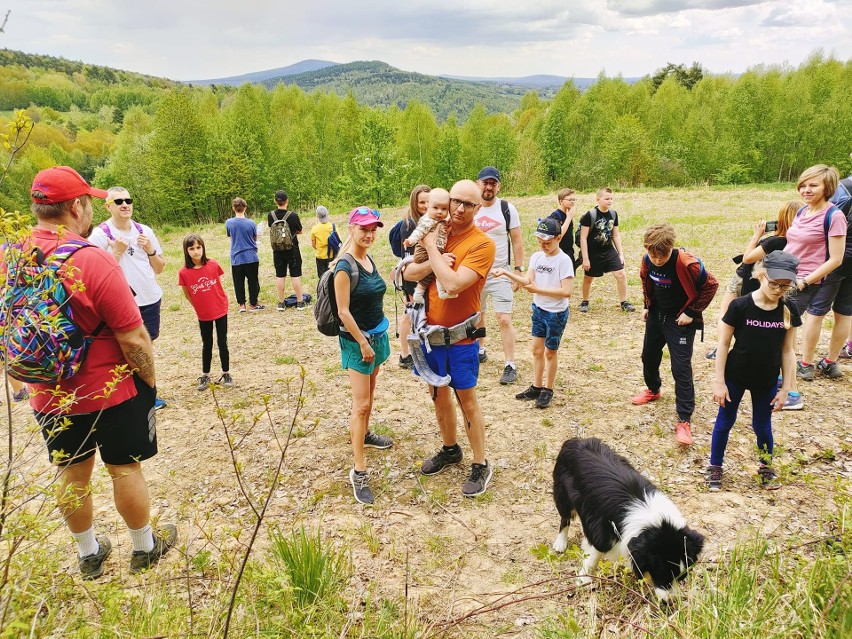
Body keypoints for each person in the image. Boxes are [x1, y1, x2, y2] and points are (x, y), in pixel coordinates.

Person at [25, 166, 176, 579]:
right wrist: (149, 381)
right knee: (125, 468)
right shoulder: (91, 259)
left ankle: (88, 553)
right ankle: (144, 547)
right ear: (76, 206)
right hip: (111, 389)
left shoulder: (12, 257)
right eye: (88, 201)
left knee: (71, 472)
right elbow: (134, 338)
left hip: (49, 392)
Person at [405, 179, 497, 497]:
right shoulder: (437, 229)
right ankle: (450, 448)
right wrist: (432, 255)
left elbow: (456, 284)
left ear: (479, 207)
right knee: (438, 395)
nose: (458, 209)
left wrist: (431, 249)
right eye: (455, 201)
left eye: (467, 204)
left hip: (461, 338)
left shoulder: (481, 244)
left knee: (466, 400)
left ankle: (481, 463)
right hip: (431, 336)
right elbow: (408, 273)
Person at [706, 252, 802, 492]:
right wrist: (719, 381)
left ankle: (766, 466)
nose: (779, 290)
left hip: (766, 380)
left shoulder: (788, 309)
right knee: (725, 422)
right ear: (760, 275)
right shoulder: (740, 306)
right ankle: (715, 466)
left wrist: (787, 388)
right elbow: (724, 345)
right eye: (774, 283)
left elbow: (788, 351)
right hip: (735, 377)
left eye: (785, 285)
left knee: (762, 426)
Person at [632, 223, 718, 447]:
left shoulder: (687, 263)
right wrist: (646, 305)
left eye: (662, 255)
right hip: (656, 314)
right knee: (648, 356)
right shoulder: (647, 259)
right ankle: (653, 389)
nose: (657, 260)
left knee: (680, 368)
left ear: (670, 247)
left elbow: (711, 285)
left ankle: (684, 420)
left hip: (680, 319)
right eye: (653, 255)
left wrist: (691, 312)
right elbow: (646, 280)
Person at [89, 186, 168, 410]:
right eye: (118, 201)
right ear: (108, 206)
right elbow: (94, 275)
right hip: (121, 303)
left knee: (146, 347)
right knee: (124, 350)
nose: (125, 204)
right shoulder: (100, 235)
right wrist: (116, 253)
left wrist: (151, 249)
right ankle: (134, 398)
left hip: (150, 298)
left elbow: (160, 268)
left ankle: (147, 395)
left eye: (128, 200)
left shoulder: (145, 231)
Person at [334, 207, 393, 505]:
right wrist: (362, 342)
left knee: (371, 393)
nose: (369, 234)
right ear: (351, 229)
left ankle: (365, 434)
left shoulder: (367, 258)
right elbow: (343, 311)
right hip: (358, 343)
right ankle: (358, 469)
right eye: (363, 229)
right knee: (362, 404)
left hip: (377, 336)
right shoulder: (344, 266)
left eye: (373, 229)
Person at [492, 217, 574, 409]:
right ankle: (536, 386)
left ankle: (548, 389)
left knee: (550, 352)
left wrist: (538, 290)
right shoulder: (537, 257)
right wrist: (505, 273)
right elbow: (528, 280)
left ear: (558, 238)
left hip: (556, 313)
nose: (543, 246)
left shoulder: (564, 261)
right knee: (536, 350)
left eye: (547, 242)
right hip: (539, 310)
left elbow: (566, 291)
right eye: (540, 242)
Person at [706, 201, 799, 361]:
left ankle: (721, 348)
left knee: (725, 313)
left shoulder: (775, 242)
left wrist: (756, 236)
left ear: (782, 218)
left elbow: (748, 258)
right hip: (768, 283)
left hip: (745, 277)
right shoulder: (796, 243)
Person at [783, 165, 846, 397]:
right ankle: (782, 377)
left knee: (785, 330)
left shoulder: (834, 216)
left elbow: (836, 259)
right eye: (803, 185)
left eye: (813, 185)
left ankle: (791, 392)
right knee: (782, 330)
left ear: (827, 187)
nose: (806, 190)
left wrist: (805, 281)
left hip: (804, 282)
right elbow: (793, 246)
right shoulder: (802, 212)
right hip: (786, 277)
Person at [473, 166, 524, 384]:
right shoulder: (471, 209)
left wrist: (519, 270)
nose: (489, 187)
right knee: (477, 315)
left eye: (493, 183)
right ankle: (480, 349)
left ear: (498, 186)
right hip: (474, 273)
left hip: (500, 271)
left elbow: (517, 240)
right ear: (478, 184)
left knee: (503, 318)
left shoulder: (507, 209)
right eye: (485, 183)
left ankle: (510, 364)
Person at [178, 234, 233, 391]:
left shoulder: (213, 264)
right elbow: (187, 293)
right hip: (203, 313)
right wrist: (198, 306)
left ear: (203, 247)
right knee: (207, 343)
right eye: (192, 248)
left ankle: (226, 372)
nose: (196, 252)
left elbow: (218, 286)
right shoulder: (184, 272)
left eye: (198, 247)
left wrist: (219, 301)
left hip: (220, 308)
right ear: (186, 251)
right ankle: (206, 374)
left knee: (222, 342)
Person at [577, 187, 635, 313]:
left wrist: (621, 254)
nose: (610, 201)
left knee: (621, 274)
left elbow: (615, 235)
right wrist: (585, 258)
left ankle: (624, 302)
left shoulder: (613, 214)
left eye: (611, 198)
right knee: (588, 277)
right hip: (593, 251)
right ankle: (585, 301)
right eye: (606, 198)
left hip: (608, 249)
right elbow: (583, 238)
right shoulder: (590, 215)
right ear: (598, 199)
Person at [819, 169, 852, 373]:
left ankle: (804, 363)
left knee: (817, 309)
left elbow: (828, 220)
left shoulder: (843, 188)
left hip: (837, 256)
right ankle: (833, 359)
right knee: (846, 309)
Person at [394, 185, 431, 369]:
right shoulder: (409, 225)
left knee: (419, 314)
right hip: (411, 275)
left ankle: (417, 351)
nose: (425, 205)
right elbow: (407, 257)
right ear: (414, 203)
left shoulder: (428, 221)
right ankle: (405, 354)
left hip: (423, 274)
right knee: (409, 314)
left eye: (428, 201)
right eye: (421, 202)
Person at [404, 188, 452, 304]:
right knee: (438, 270)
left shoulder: (439, 220)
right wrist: (410, 241)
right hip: (423, 252)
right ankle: (437, 291)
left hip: (433, 251)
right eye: (436, 208)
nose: (440, 212)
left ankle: (424, 292)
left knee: (433, 273)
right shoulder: (428, 220)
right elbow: (419, 232)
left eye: (444, 209)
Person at [268, 190, 307, 310]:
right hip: (292, 249)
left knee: (280, 275)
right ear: (287, 201)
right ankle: (300, 302)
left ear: (275, 201)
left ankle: (281, 303)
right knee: (295, 275)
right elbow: (300, 230)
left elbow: (271, 228)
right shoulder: (293, 215)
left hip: (277, 249)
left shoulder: (271, 215)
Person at [225, 197, 263, 312]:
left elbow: (230, 236)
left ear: (233, 208)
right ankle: (253, 303)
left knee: (238, 282)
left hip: (236, 257)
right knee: (253, 281)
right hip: (251, 256)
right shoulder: (251, 223)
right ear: (245, 208)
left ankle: (241, 304)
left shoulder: (229, 222)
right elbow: (254, 237)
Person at [548, 188, 579, 267]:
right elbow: (558, 235)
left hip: (569, 252)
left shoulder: (568, 214)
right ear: (561, 201)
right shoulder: (555, 216)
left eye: (574, 199)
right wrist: (569, 218)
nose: (572, 202)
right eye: (569, 199)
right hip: (558, 253)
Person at [310, 205, 335, 278]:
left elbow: (313, 244)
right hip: (332, 255)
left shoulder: (315, 229)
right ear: (327, 214)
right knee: (333, 275)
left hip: (320, 256)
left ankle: (324, 289)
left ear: (317, 216)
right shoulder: (333, 227)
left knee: (322, 277)